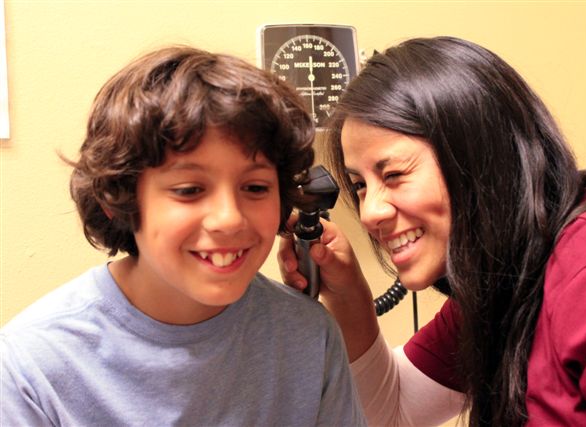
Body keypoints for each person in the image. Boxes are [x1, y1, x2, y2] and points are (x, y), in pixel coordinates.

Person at [278, 36, 586, 426]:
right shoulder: (506, 279)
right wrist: (348, 293)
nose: (370, 213)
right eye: (361, 185)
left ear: (482, 155)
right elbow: (395, 410)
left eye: (395, 174)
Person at [0, 46, 366, 426]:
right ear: (118, 198)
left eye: (255, 187)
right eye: (189, 189)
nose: (228, 219)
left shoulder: (309, 336)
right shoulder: (30, 368)